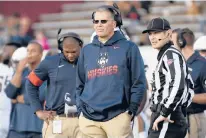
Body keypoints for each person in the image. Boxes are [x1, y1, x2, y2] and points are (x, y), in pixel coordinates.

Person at [76, 5, 146, 138]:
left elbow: (139, 82)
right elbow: (79, 83)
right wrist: (81, 109)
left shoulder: (129, 47)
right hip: (89, 119)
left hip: (118, 117)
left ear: (114, 23)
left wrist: (131, 111)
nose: (99, 25)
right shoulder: (87, 50)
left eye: (103, 21)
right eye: (96, 21)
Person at [142, 17, 194, 138]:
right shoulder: (166, 55)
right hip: (168, 116)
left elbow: (178, 85)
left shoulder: (171, 54)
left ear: (169, 33)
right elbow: (189, 86)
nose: (152, 37)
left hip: (167, 118)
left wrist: (166, 112)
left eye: (157, 32)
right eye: (150, 33)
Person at [26, 32, 83, 138]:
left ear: (81, 46)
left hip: (83, 120)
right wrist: (38, 111)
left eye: (74, 52)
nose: (70, 55)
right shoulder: (50, 62)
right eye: (67, 52)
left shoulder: (88, 62)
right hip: (57, 120)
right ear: (61, 48)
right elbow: (30, 83)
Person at [5, 41, 45, 138]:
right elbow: (10, 93)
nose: (29, 54)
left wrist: (21, 99)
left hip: (37, 127)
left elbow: (43, 95)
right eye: (28, 51)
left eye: (33, 51)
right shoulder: (21, 72)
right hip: (17, 127)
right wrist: (18, 71)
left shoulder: (45, 72)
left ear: (40, 55)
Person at [178, 28, 206, 138]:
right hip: (178, 118)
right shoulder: (178, 62)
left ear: (180, 42)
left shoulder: (202, 64)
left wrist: (187, 95)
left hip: (195, 117)